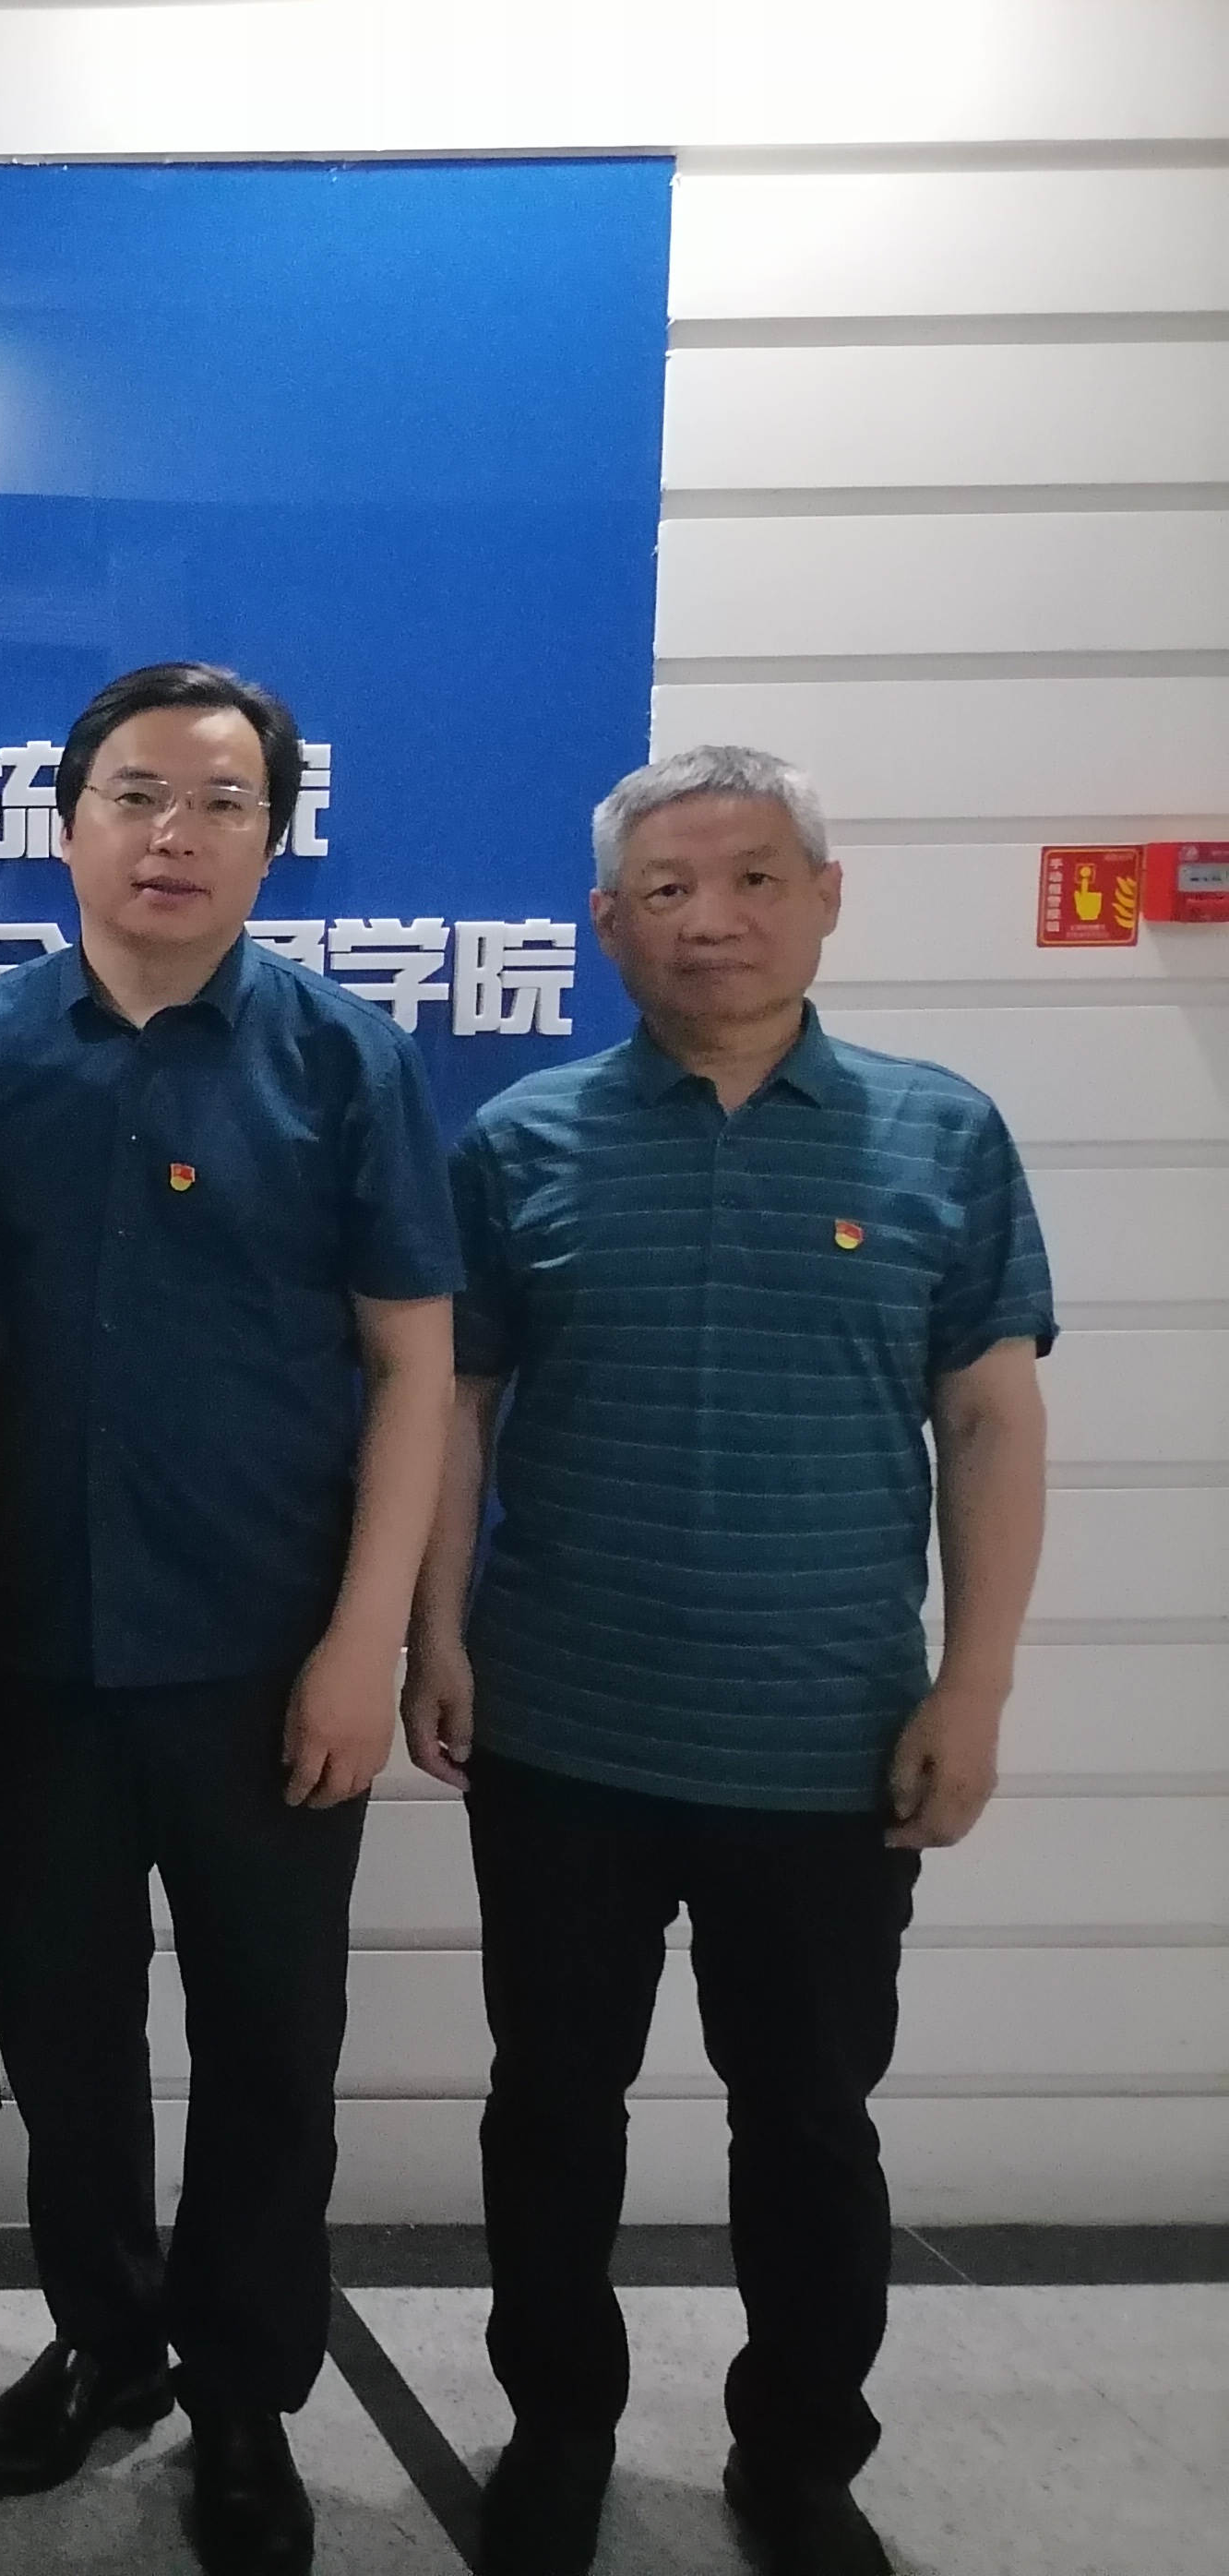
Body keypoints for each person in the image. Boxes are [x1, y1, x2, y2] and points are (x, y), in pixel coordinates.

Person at [407, 748, 1051, 2576]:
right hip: (563, 1726)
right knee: (551, 2108)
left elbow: (990, 1421)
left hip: (825, 1738)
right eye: (666, 891)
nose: (710, 921)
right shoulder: (522, 1140)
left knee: (808, 2121)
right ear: (604, 924)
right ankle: (558, 2427)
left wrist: (975, 1687)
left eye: (753, 879)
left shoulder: (939, 1136)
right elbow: (454, 1408)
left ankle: (797, 2453)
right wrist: (433, 1631)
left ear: (823, 899)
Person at [0, 661, 459, 2576]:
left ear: (273, 837)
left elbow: (412, 1365)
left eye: (222, 802)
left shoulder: (341, 1059)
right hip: (33, 1660)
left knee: (268, 2044)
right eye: (136, 795)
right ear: (66, 826)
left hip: (264, 1658)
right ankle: (102, 2340)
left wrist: (365, 1644)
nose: (174, 834)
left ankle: (242, 2394)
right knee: (65, 2034)